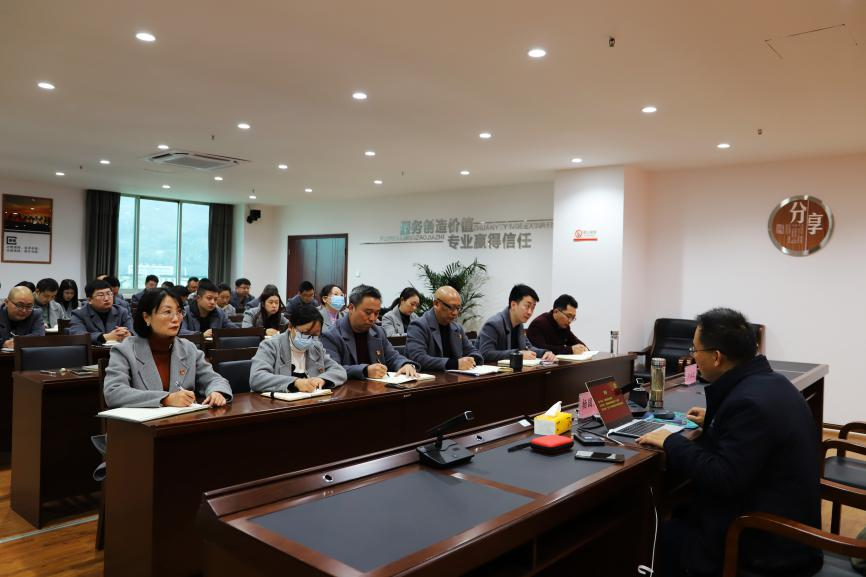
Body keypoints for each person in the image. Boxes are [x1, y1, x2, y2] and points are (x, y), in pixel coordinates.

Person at [637, 308, 822, 577]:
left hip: (763, 546)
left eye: (695, 350)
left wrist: (670, 441)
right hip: (782, 524)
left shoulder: (748, 404)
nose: (693, 356)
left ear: (716, 357)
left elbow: (723, 476)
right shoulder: (773, 384)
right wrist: (715, 420)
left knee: (648, 536)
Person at [103, 287, 230, 408]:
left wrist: (216, 392)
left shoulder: (188, 349)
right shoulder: (125, 350)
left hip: (183, 420)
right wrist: (165, 399)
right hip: (144, 423)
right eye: (167, 312)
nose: (176, 319)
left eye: (179, 312)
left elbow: (214, 379)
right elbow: (113, 392)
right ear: (146, 317)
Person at [321, 285, 417, 380]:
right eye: (368, 312)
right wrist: (365, 370)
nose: (372, 318)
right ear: (351, 308)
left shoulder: (378, 331)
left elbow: (392, 357)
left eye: (376, 313)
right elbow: (333, 369)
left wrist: (404, 364)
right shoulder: (331, 335)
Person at [249, 304, 347, 393]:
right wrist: (295, 383)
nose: (310, 339)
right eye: (305, 333)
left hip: (310, 402)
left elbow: (339, 370)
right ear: (290, 326)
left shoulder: (316, 347)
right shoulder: (271, 345)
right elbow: (257, 378)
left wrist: (323, 379)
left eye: (315, 335)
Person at [405, 286, 483, 371]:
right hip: (432, 377)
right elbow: (418, 359)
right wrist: (454, 364)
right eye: (451, 307)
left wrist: (472, 359)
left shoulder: (457, 328)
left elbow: (473, 351)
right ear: (436, 304)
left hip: (457, 376)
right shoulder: (418, 326)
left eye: (458, 308)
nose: (455, 313)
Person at [477, 284, 555, 362]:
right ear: (513, 305)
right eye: (527, 306)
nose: (530, 312)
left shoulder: (519, 325)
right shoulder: (493, 324)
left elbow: (528, 348)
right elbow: (485, 354)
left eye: (533, 308)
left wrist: (545, 352)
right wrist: (518, 354)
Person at [68, 279, 134, 344]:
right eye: (101, 295)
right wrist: (106, 337)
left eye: (109, 294)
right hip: (93, 350)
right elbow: (78, 335)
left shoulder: (122, 312)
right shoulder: (79, 314)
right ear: (90, 300)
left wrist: (127, 334)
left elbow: (133, 331)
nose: (106, 298)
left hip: (119, 350)